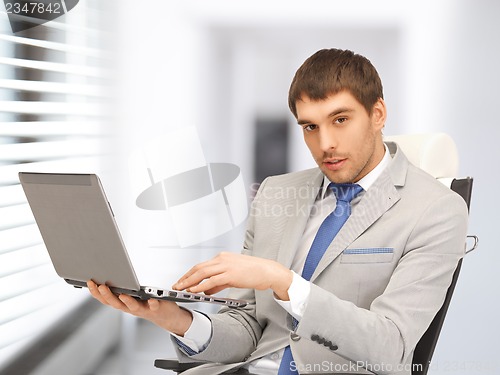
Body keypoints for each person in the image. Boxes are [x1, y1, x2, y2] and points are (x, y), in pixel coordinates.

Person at [88, 48, 468, 374]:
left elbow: (391, 346)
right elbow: (247, 327)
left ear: (378, 113)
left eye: (340, 120)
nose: (326, 144)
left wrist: (283, 281)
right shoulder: (276, 193)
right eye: (309, 127)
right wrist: (172, 318)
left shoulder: (436, 209)